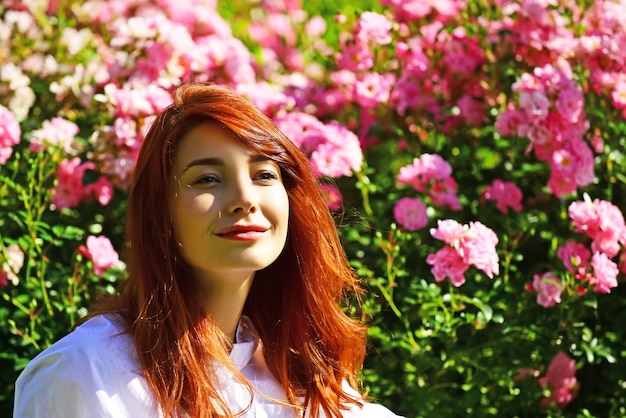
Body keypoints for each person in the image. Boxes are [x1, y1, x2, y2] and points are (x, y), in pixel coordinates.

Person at [13, 83, 404, 418]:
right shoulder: (88, 373)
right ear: (160, 210)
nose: (244, 199)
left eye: (264, 175)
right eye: (208, 178)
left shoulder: (306, 384)